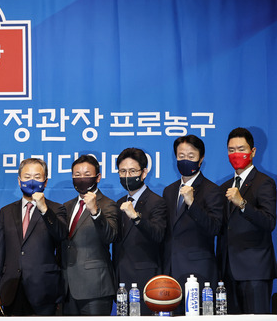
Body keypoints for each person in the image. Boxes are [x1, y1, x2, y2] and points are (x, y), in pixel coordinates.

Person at [0, 158, 67, 316]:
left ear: (45, 182)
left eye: (37, 177)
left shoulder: (56, 208)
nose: (31, 181)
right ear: (19, 181)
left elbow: (61, 235)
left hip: (44, 289)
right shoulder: (6, 211)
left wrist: (44, 209)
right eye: (27, 177)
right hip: (11, 289)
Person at [217, 127, 276, 314]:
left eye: (241, 149)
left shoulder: (264, 182)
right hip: (227, 272)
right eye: (231, 150)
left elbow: (269, 222)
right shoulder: (224, 187)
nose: (236, 154)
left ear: (253, 151)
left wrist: (242, 204)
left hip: (255, 272)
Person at [162, 135, 223, 314]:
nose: (185, 160)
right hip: (170, 272)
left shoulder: (212, 190)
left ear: (201, 158)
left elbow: (215, 228)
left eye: (191, 156)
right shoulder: (169, 190)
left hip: (198, 272)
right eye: (181, 156)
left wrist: (192, 204)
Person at [61, 155, 117, 316]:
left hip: (95, 288)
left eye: (87, 174)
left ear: (97, 177)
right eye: (77, 175)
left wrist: (95, 212)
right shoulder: (67, 206)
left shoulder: (108, 204)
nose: (81, 178)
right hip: (67, 289)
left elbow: (110, 236)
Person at [112, 148, 167, 315]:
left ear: (144, 173)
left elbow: (158, 234)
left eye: (132, 171)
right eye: (123, 171)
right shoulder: (119, 202)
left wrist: (136, 217)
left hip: (145, 283)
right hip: (121, 282)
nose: (127, 175)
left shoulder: (157, 202)